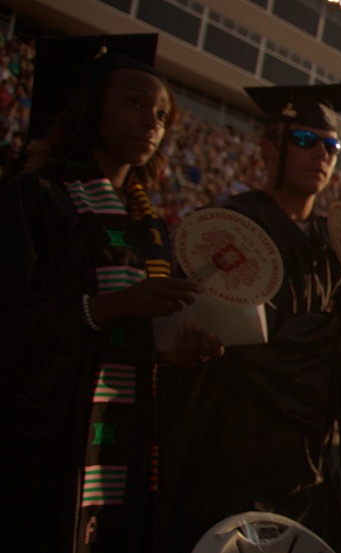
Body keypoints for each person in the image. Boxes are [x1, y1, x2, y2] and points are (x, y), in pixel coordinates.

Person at [0, 34, 221, 552]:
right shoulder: (37, 197)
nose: (152, 121)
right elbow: (9, 319)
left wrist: (176, 351)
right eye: (134, 103)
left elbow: (141, 340)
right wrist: (106, 308)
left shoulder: (151, 228)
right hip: (43, 444)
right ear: (92, 107)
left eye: (163, 114)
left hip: (124, 437)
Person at [163, 84, 341, 551]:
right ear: (270, 147)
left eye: (332, 145)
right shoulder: (230, 226)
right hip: (233, 450)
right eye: (306, 141)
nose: (323, 155)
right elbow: (254, 351)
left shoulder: (336, 251)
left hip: (311, 469)